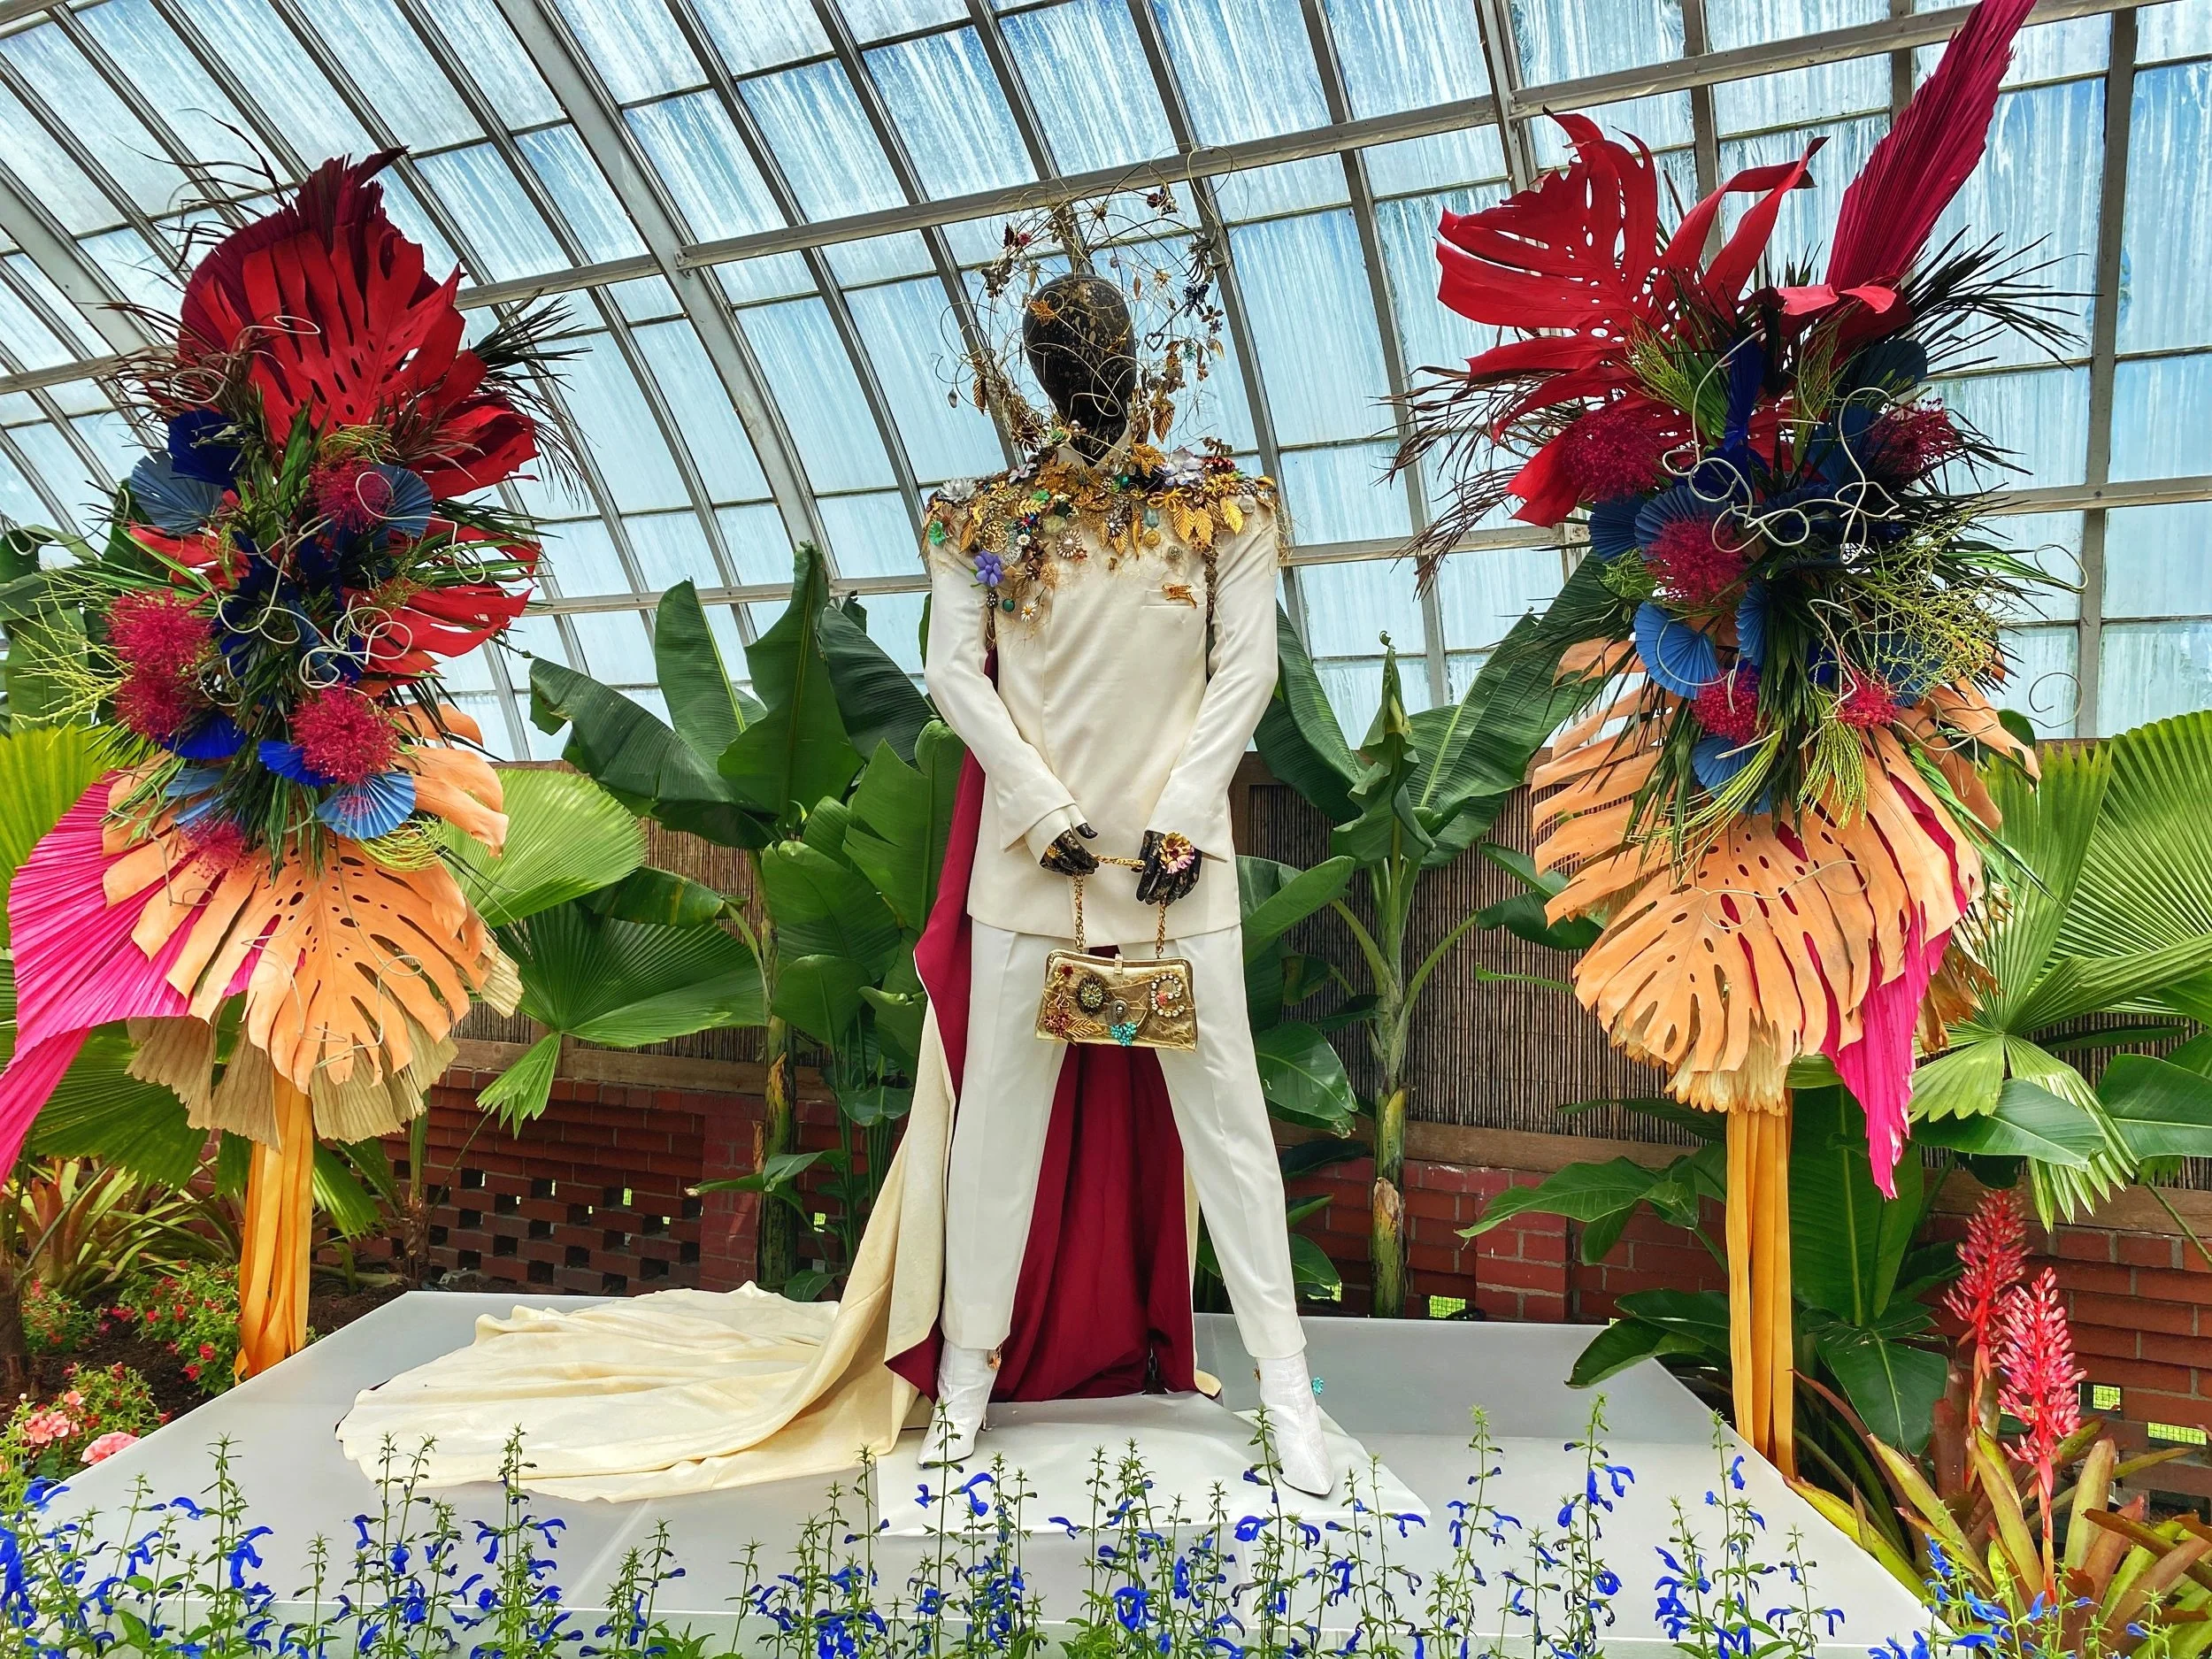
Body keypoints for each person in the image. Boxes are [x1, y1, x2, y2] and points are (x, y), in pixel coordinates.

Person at [918, 271, 1332, 1495]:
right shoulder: (980, 517)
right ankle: (966, 1378)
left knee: (1234, 1131)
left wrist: (1187, 814)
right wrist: (1038, 805)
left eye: (1099, 339)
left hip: (1176, 877)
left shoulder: (1223, 510)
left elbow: (1243, 674)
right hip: (1031, 878)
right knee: (997, 1129)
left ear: (1141, 350)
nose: (1082, 363)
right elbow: (955, 673)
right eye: (1058, 347)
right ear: (1033, 374)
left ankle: (1290, 1387)